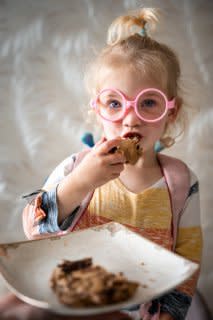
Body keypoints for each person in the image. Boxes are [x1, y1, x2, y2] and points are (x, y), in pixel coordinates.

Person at [2, 8, 204, 320]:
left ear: (170, 112)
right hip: (73, 299)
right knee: (15, 308)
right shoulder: (78, 168)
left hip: (138, 310)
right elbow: (34, 230)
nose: (131, 117)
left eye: (148, 103)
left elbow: (187, 257)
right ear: (98, 110)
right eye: (115, 103)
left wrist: (169, 313)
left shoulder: (179, 181)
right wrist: (80, 182)